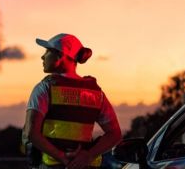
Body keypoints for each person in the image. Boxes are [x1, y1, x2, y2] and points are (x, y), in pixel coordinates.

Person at [22, 33, 122, 169]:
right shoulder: (96, 93)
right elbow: (114, 134)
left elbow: (31, 133)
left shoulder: (45, 88)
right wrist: (88, 155)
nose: (42, 56)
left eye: (47, 51)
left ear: (60, 56)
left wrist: (62, 158)